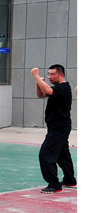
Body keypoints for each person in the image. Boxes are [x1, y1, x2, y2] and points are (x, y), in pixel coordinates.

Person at [31, 64, 76, 193]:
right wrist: (38, 82)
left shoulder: (63, 87)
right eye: (49, 74)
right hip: (57, 126)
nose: (50, 77)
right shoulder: (58, 89)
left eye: (53, 74)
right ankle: (70, 180)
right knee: (62, 154)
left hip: (59, 128)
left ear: (61, 75)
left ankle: (54, 185)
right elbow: (41, 95)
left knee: (46, 154)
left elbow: (49, 91)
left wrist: (36, 76)